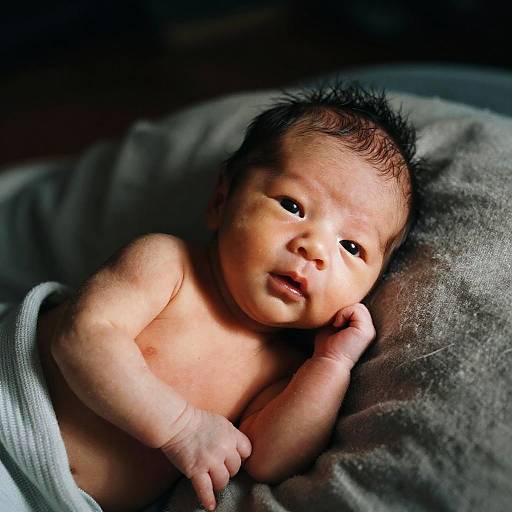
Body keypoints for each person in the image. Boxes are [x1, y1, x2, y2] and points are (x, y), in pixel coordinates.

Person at [37, 83, 419, 512]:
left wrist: (332, 365)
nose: (314, 248)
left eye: (352, 247)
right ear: (222, 201)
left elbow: (271, 459)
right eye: (293, 206)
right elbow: (81, 340)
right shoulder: (168, 265)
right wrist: (182, 428)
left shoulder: (283, 370)